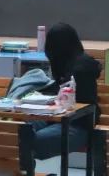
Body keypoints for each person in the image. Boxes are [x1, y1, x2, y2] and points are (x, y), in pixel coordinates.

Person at [33, 23, 101, 157]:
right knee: (18, 131)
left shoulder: (80, 68)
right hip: (55, 119)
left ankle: (23, 167)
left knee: (32, 140)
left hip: (78, 124)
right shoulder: (67, 64)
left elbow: (77, 104)